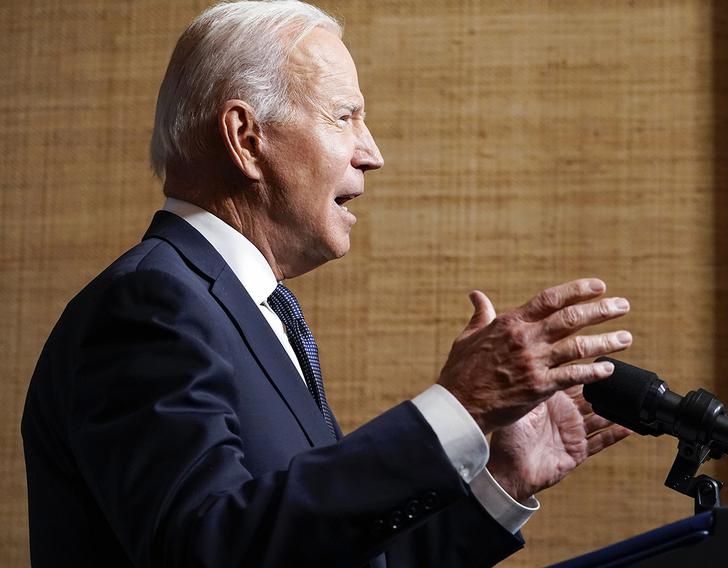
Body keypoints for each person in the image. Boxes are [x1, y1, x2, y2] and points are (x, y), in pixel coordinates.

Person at [21, 2, 634, 566]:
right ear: (246, 139)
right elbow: (209, 548)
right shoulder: (151, 305)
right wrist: (459, 407)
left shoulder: (254, 309)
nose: (372, 153)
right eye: (344, 117)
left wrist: (500, 478)